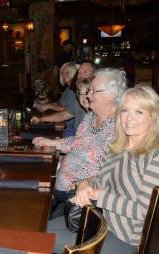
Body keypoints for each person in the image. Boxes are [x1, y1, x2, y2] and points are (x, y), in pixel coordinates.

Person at [39, 85, 159, 254]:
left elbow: (142, 211)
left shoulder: (157, 157)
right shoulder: (120, 145)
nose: (129, 118)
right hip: (101, 220)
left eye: (139, 111)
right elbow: (101, 178)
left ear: (153, 117)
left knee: (40, 240)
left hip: (123, 239)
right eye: (125, 110)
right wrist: (86, 185)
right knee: (37, 231)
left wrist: (100, 196)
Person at [33, 68, 127, 219]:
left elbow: (114, 172)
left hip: (81, 200)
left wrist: (82, 183)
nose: (88, 95)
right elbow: (77, 141)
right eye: (88, 90)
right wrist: (52, 142)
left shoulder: (120, 126)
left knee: (32, 213)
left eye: (93, 91)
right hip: (61, 187)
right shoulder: (91, 116)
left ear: (112, 94)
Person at [32, 62, 86, 137]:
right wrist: (40, 119)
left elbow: (64, 110)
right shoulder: (69, 89)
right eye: (62, 73)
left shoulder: (76, 90)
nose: (64, 76)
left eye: (67, 72)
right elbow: (63, 114)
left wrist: (49, 106)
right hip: (70, 130)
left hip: (70, 130)